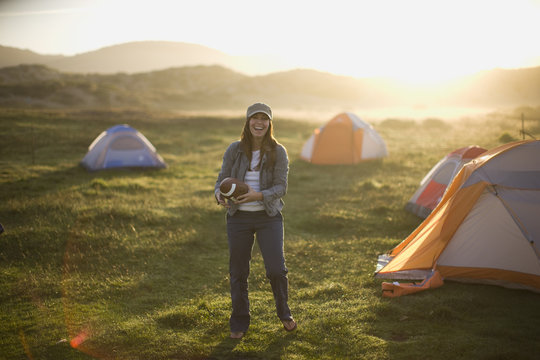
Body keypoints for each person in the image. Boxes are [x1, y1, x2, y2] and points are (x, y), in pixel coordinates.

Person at [214, 102, 296, 339]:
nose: (259, 122)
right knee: (238, 271)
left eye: (264, 118)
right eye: (254, 118)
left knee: (276, 270)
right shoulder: (234, 150)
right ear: (247, 121)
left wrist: (258, 195)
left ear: (270, 123)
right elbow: (221, 182)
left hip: (268, 217)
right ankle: (239, 321)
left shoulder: (278, 151)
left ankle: (284, 313)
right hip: (238, 218)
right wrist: (220, 196)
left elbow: (281, 187)